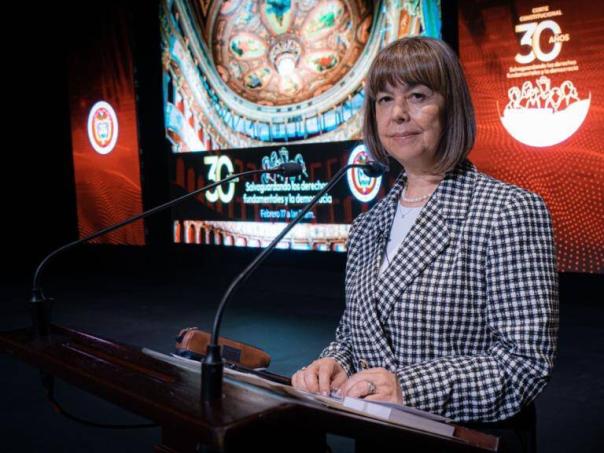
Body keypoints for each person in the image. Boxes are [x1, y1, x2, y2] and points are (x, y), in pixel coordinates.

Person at [291, 37, 559, 428]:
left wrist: (409, 389)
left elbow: (525, 362)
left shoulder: (509, 210)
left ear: (452, 108)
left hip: (464, 440)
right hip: (376, 437)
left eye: (417, 96)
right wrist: (334, 362)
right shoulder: (366, 226)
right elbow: (354, 333)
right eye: (384, 99)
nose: (398, 113)